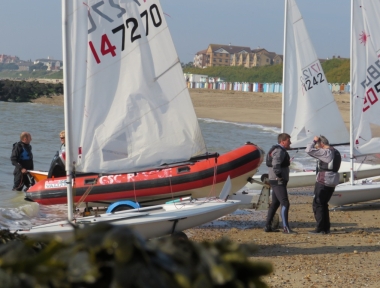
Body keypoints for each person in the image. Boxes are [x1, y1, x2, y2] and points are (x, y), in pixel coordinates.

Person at [305, 135, 342, 235]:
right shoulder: (336, 151)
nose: (317, 146)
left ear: (321, 144)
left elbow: (308, 150)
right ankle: (326, 228)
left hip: (324, 180)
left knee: (318, 204)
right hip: (333, 181)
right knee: (324, 204)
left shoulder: (326, 152)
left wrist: (313, 141)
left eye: (318, 144)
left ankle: (320, 228)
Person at [264, 133, 296, 234]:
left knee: (275, 203)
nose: (290, 142)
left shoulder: (280, 150)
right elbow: (275, 164)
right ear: (282, 141)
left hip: (276, 180)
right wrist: (280, 176)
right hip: (278, 181)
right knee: (285, 202)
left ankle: (268, 226)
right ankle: (286, 228)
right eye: (288, 141)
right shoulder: (278, 151)